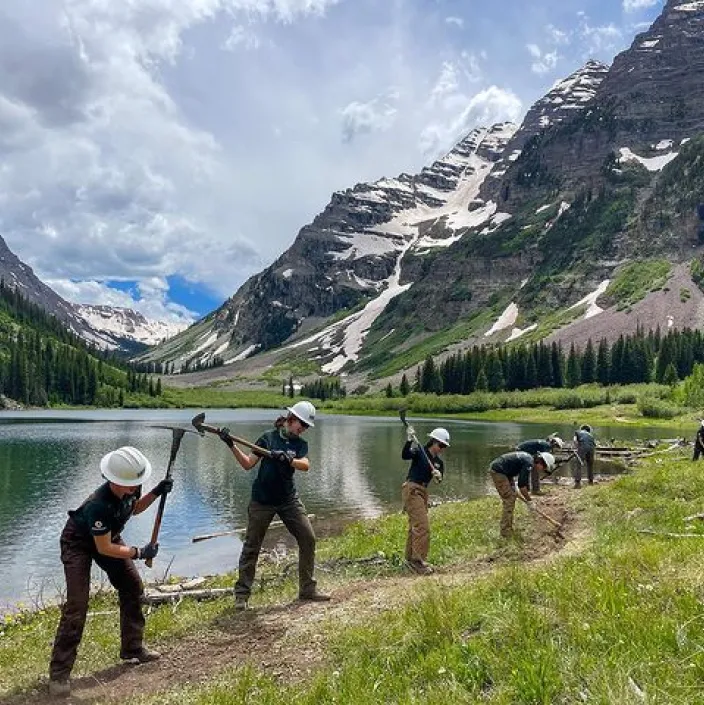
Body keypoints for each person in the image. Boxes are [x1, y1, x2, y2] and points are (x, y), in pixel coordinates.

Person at [48, 447, 171, 697]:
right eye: (130, 486)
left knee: (132, 587)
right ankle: (59, 674)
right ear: (113, 480)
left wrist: (157, 492)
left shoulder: (130, 485)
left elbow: (134, 508)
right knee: (77, 605)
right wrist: (139, 552)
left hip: (109, 537)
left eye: (137, 484)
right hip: (78, 544)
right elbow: (103, 548)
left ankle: (133, 648)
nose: (134, 489)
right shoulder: (98, 506)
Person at [218, 401, 330, 610]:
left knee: (308, 539)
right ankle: (241, 595)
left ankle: (307, 589)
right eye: (301, 424)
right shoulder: (267, 438)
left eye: (306, 426)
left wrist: (288, 460)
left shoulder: (300, 444)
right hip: (262, 501)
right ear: (291, 419)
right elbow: (247, 464)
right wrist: (230, 444)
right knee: (252, 546)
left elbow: (305, 465)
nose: (303, 429)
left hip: (288, 500)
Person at [401, 426, 449, 575]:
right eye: (440, 445)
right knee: (422, 527)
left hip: (423, 492)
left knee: (415, 526)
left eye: (444, 446)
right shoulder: (420, 452)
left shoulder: (439, 463)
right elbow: (405, 455)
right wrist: (409, 441)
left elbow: (439, 480)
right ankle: (417, 562)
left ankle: (410, 559)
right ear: (433, 442)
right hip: (412, 489)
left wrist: (438, 475)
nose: (441, 449)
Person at [489, 450, 555, 538]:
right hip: (499, 471)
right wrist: (530, 501)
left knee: (512, 495)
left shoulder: (529, 460)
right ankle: (505, 532)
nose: (542, 470)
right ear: (540, 462)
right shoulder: (528, 463)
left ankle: (508, 528)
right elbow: (522, 486)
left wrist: (521, 493)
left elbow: (523, 483)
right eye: (544, 468)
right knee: (509, 499)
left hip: (506, 472)